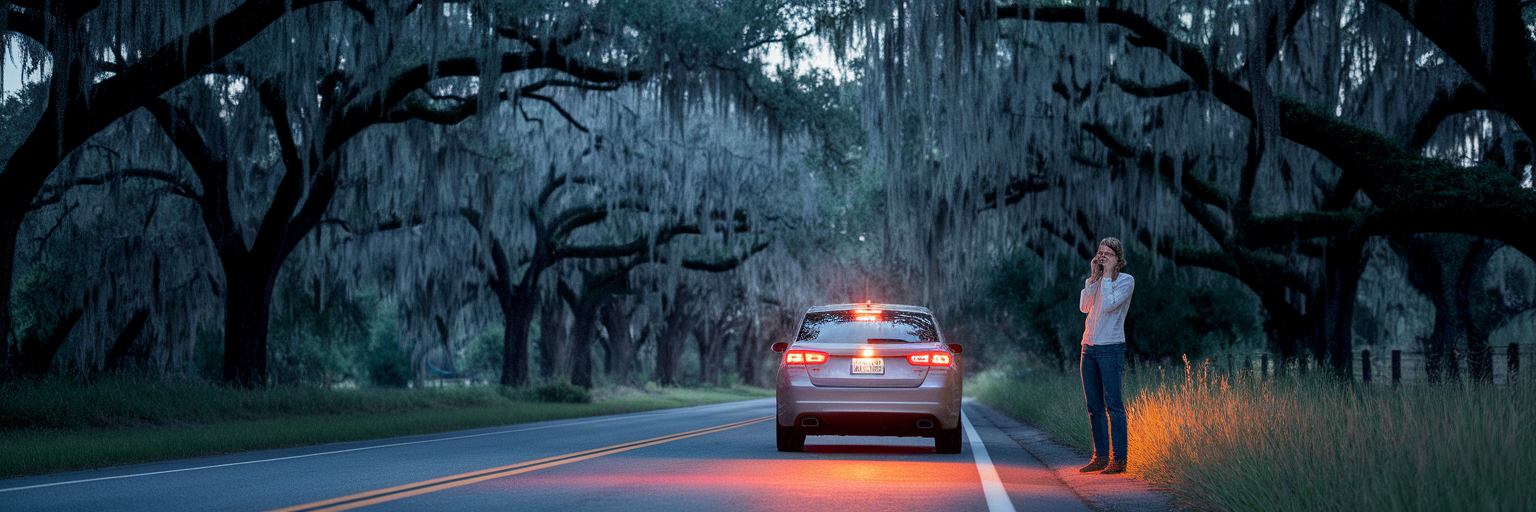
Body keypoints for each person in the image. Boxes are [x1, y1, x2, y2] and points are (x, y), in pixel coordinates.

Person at [1077, 237, 1135, 475]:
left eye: (1108, 254)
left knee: (1114, 405)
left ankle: (1119, 460)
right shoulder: (1096, 280)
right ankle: (1099, 457)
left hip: (1111, 347)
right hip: (1088, 347)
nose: (1102, 257)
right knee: (1094, 406)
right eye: (1100, 253)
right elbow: (1084, 307)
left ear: (1118, 258)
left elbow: (1110, 305)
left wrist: (1109, 274)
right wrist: (1094, 277)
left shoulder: (1125, 281)